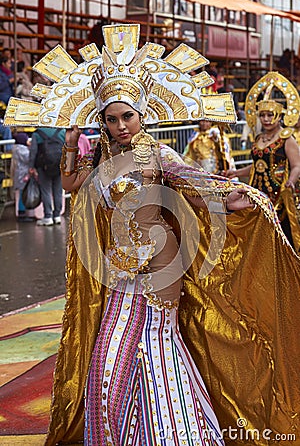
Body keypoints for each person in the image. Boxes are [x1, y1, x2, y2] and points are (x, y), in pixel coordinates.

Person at [3, 24, 300, 446]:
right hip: (121, 271)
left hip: (162, 267)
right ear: (101, 121)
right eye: (111, 118)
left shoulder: (159, 153)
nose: (121, 125)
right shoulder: (103, 161)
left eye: (128, 116)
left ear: (142, 114)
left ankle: (178, 434)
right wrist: (71, 141)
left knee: (158, 354)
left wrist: (232, 196)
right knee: (108, 360)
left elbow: (193, 181)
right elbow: (69, 184)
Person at [225, 72, 300, 252]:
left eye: (270, 115)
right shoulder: (259, 138)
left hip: (278, 195)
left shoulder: (286, 138)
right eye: (263, 115)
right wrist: (237, 173)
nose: (266, 119)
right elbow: (258, 165)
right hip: (257, 192)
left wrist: (291, 180)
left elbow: (297, 165)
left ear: (279, 116)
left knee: (280, 237)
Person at [29, 127, 65, 226]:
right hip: (60, 165)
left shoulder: (37, 133)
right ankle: (57, 216)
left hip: (43, 166)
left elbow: (33, 151)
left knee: (46, 191)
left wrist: (31, 166)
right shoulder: (61, 131)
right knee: (58, 191)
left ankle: (48, 216)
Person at [10, 131, 36, 222]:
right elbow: (29, 158)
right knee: (22, 194)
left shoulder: (16, 148)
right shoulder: (22, 150)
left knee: (22, 193)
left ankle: (23, 212)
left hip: (19, 174)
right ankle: (22, 214)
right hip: (23, 174)